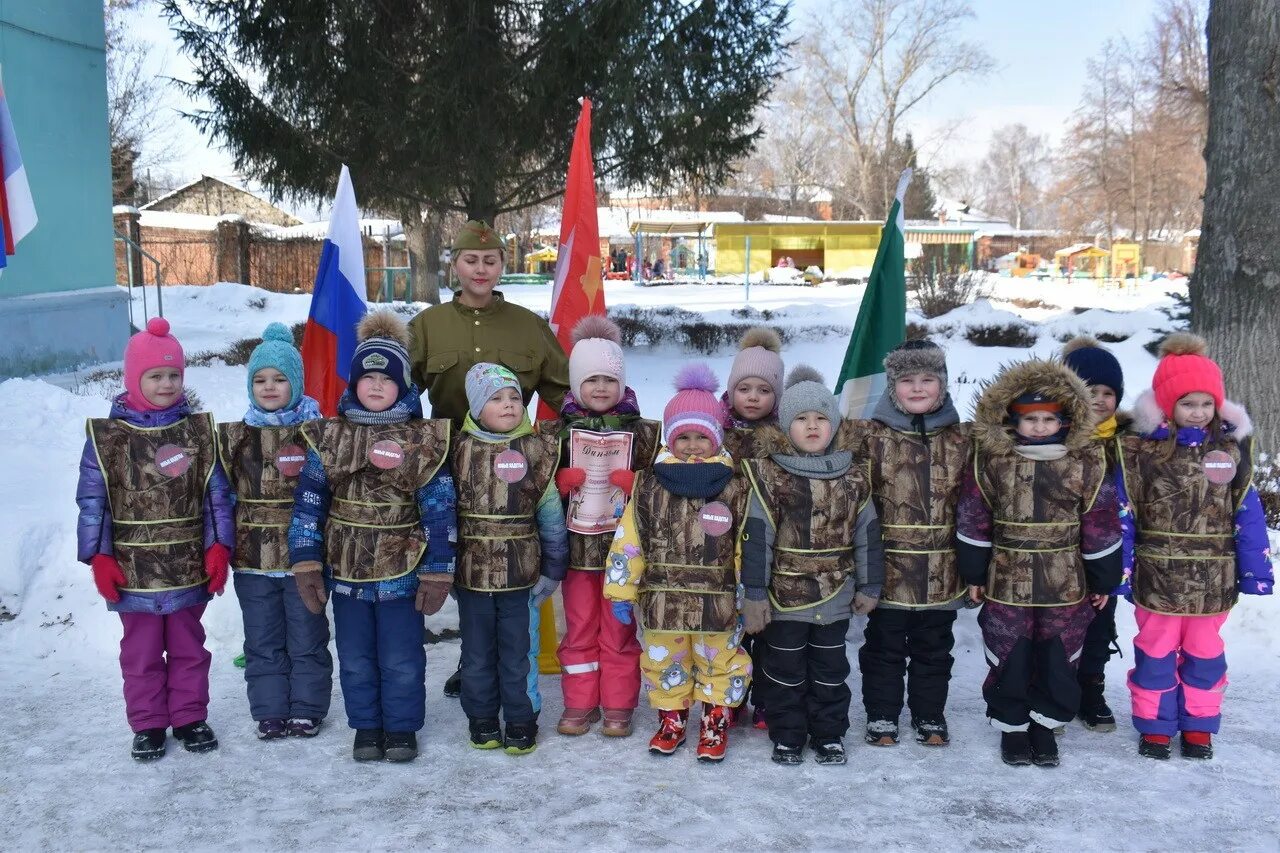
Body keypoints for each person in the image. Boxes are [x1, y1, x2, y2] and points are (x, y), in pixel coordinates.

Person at [407, 219, 569, 698]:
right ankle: (474, 660)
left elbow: (565, 394)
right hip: (449, 472)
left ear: (502, 265)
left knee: (511, 571)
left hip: (517, 474)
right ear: (454, 264)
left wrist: (562, 445)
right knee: (464, 566)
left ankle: (510, 667)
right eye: (470, 260)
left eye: (491, 260)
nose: (481, 269)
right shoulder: (427, 326)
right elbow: (394, 393)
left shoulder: (528, 327)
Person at [288, 312, 457, 763]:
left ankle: (401, 729)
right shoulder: (331, 438)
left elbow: (440, 510)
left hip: (402, 574)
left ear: (403, 386)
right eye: (368, 377)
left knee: (402, 658)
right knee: (356, 656)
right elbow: (308, 503)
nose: (377, 385)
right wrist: (305, 560)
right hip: (345, 573)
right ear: (354, 383)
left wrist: (438, 570)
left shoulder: (422, 441)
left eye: (388, 378)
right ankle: (366, 726)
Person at [76, 317, 234, 760]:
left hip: (186, 566)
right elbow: (94, 501)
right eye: (156, 375)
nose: (166, 383)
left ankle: (189, 716)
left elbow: (215, 495)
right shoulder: (108, 439)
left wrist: (218, 545)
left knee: (188, 646)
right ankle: (147, 724)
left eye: (174, 375)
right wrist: (97, 555)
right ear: (134, 377)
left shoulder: (198, 434)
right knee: (141, 652)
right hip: (133, 569)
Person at [957, 358, 1122, 768]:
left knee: (1059, 653)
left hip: (1065, 579)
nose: (1040, 426)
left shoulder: (1086, 461)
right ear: (1012, 420)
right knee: (1008, 650)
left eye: (1049, 418)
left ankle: (1046, 723)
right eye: (1031, 419)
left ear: (1065, 420)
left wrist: (1103, 579)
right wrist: (974, 574)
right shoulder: (992, 461)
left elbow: (1100, 523)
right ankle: (1012, 725)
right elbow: (974, 518)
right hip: (1006, 576)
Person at [1117, 333, 1272, 760]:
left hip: (1213, 580)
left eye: (1206, 403)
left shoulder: (1230, 450)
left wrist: (1256, 571)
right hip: (1156, 577)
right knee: (1156, 654)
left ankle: (1199, 726)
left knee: (1205, 655)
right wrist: (1120, 569)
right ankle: (1155, 726)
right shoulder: (1140, 452)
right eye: (1188, 404)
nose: (1198, 412)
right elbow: (1124, 513)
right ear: (1168, 405)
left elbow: (1247, 513)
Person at [604, 364, 752, 762]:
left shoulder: (736, 485)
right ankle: (672, 721)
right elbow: (630, 539)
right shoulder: (649, 484)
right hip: (661, 598)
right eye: (682, 436)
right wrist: (621, 589)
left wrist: (747, 592)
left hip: (718, 601)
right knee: (664, 661)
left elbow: (744, 543)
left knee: (721, 661)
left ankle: (715, 722)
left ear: (716, 439)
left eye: (700, 437)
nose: (690, 445)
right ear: (670, 438)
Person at [740, 366, 883, 765]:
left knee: (830, 672)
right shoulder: (771, 475)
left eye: (821, 418)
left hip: (836, 594)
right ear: (787, 426)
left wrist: (870, 586)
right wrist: (754, 595)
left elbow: (867, 535)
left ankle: (829, 733)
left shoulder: (853, 477)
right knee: (784, 672)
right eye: (801, 419)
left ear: (833, 424)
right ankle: (788, 734)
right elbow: (757, 537)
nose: (813, 426)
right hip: (784, 598)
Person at [218, 323, 332, 740]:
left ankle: (307, 707)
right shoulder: (237, 437)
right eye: (260, 379)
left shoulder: (316, 434)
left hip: (305, 561)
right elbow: (223, 496)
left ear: (296, 383)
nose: (269, 387)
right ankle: (269, 710)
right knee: (262, 641)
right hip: (253, 562)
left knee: (307, 636)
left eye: (280, 379)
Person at [855, 340, 971, 748]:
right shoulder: (870, 437)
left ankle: (929, 714)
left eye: (928, 379)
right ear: (892, 386)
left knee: (935, 650)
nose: (918, 388)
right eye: (907, 380)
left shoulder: (962, 439)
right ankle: (882, 715)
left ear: (943, 384)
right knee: (884, 648)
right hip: (888, 571)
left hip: (943, 573)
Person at [453, 363, 568, 755]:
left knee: (520, 650)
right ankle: (482, 717)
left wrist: (553, 569)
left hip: (523, 578)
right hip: (472, 579)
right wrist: (446, 570)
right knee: (477, 652)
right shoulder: (458, 450)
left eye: (514, 398)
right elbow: (443, 516)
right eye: (495, 399)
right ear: (476, 407)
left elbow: (551, 517)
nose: (507, 406)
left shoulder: (537, 452)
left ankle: (521, 718)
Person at [553, 316, 656, 738]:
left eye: (609, 380)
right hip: (577, 553)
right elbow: (536, 489)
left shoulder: (643, 433)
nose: (600, 388)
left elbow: (664, 491)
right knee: (579, 627)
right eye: (591, 379)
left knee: (619, 629)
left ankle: (618, 704)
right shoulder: (557, 433)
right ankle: (580, 702)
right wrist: (560, 485)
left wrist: (640, 486)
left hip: (622, 557)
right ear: (577, 383)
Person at [1062, 335, 1130, 732]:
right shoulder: (1049, 434)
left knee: (1100, 620)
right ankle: (1057, 686)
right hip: (1059, 548)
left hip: (1108, 549)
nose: (1101, 399)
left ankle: (1091, 686)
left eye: (1109, 392)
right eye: (1091, 390)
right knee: (1057, 623)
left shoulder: (1128, 441)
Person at [718, 326, 784, 728]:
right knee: (730, 625)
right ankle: (732, 692)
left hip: (768, 544)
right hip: (722, 544)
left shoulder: (782, 438)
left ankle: (766, 697)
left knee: (766, 626)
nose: (753, 397)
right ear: (731, 391)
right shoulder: (715, 434)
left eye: (763, 389)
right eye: (745, 388)